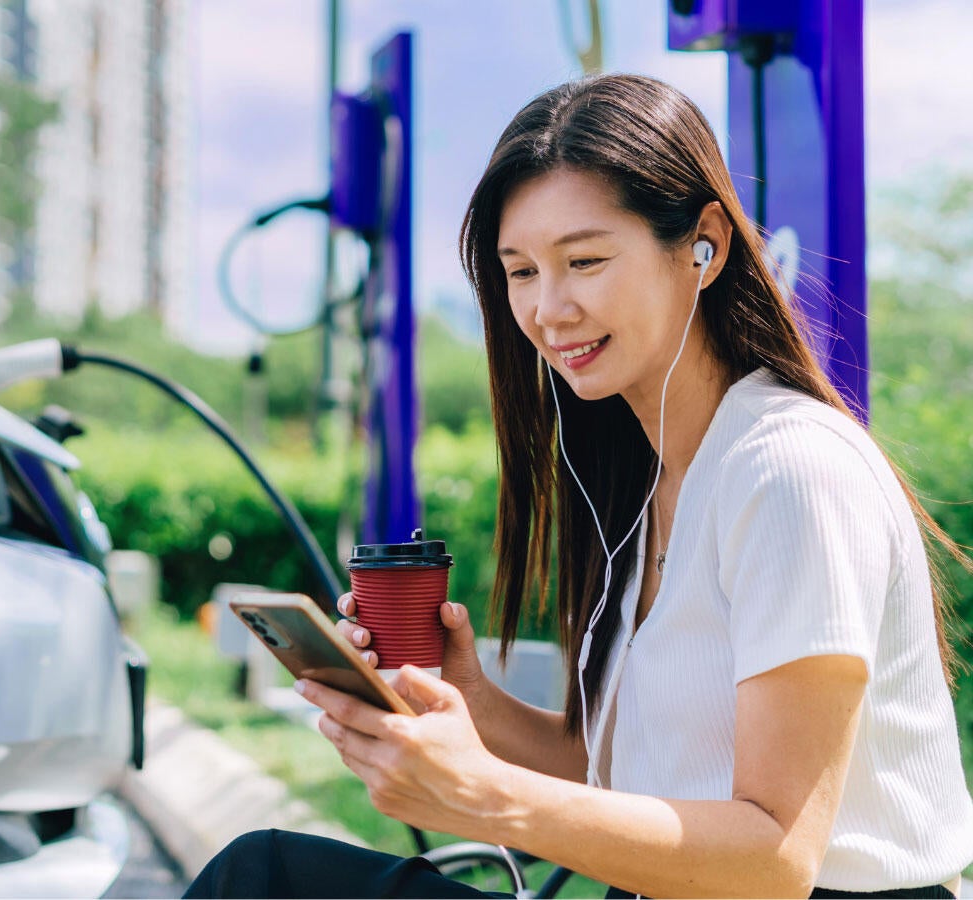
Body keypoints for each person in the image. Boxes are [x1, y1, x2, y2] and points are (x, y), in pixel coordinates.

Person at [184, 73, 973, 898]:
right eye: (520, 271)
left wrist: (488, 798)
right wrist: (469, 701)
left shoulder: (791, 471)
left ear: (705, 244)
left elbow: (775, 859)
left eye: (585, 260)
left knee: (265, 879)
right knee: (270, 874)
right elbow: (634, 779)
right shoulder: (655, 482)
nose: (547, 309)